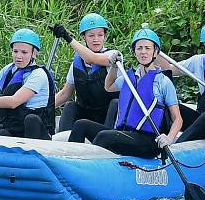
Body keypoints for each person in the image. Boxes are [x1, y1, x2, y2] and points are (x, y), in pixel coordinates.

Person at [67, 27, 182, 158]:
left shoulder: (163, 81)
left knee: (105, 136)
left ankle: (91, 167)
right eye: (139, 48)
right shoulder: (129, 78)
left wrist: (169, 138)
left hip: (148, 141)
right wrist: (114, 67)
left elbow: (177, 119)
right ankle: (70, 161)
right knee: (81, 125)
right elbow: (108, 86)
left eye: (147, 48)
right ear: (134, 52)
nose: (143, 52)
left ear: (155, 52)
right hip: (125, 134)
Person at [51, 14, 119, 132]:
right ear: (84, 37)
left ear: (105, 37)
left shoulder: (114, 56)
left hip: (107, 118)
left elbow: (92, 58)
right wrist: (42, 107)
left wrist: (67, 37)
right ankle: (62, 142)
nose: (96, 39)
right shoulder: (76, 64)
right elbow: (65, 94)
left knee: (115, 103)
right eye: (91, 35)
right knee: (70, 106)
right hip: (86, 115)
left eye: (100, 35)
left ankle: (107, 141)